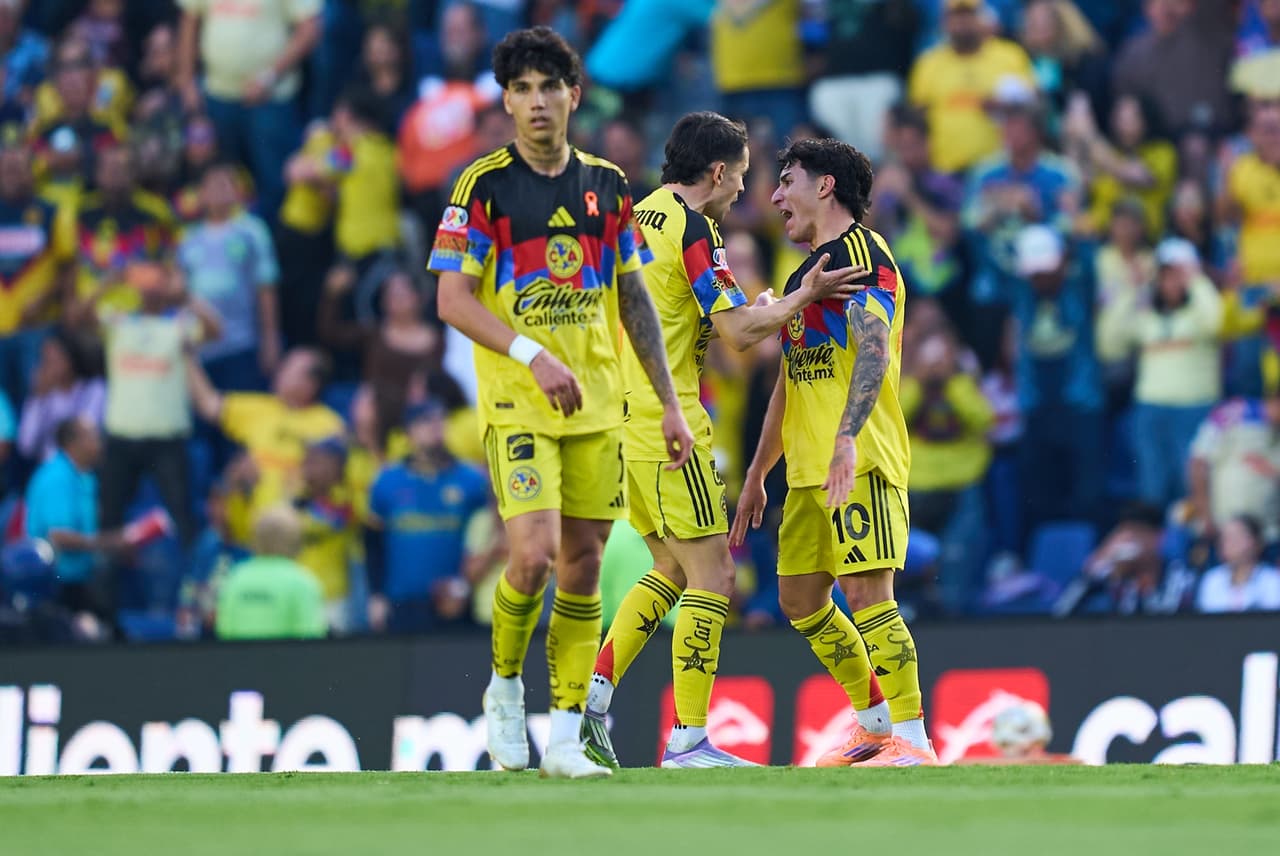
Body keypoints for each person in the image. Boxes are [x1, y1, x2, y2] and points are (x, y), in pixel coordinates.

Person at [429, 27, 693, 780]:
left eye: (551, 87)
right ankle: (507, 688)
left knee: (581, 564)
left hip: (601, 404)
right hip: (519, 399)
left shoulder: (609, 186)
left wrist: (669, 405)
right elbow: (452, 298)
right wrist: (530, 353)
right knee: (535, 554)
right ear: (506, 101)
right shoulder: (482, 187)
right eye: (522, 89)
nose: (538, 101)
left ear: (574, 95)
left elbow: (635, 297)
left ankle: (568, 732)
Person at [579, 111, 865, 769]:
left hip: (625, 424)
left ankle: (589, 703)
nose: (745, 189)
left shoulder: (637, 214)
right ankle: (687, 740)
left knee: (672, 571)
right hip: (672, 425)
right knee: (716, 575)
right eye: (740, 174)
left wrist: (757, 309)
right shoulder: (695, 230)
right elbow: (737, 334)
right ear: (716, 171)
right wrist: (803, 297)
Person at [733, 137, 935, 766]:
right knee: (799, 598)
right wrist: (757, 473)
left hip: (858, 458)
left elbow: (874, 348)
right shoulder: (802, 278)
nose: (774, 195)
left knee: (869, 592)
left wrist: (847, 435)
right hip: (806, 469)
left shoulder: (864, 256)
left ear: (824, 186)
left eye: (787, 180)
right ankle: (874, 724)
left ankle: (914, 739)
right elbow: (790, 383)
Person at [1096, 238, 1221, 510]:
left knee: (1190, 488)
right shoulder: (1146, 317)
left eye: (1178, 275)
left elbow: (1216, 323)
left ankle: (1189, 549)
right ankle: (1159, 549)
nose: (1171, 283)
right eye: (1165, 275)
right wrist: (1131, 289)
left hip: (1195, 409)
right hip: (1151, 411)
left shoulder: (1199, 313)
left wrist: (1197, 280)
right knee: (1151, 489)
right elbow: (1109, 343)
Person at [175, 0, 322, 220]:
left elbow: (310, 28)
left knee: (274, 184)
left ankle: (267, 247)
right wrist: (186, 81)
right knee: (217, 181)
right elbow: (189, 19)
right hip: (216, 95)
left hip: (272, 98)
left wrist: (269, 77)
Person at [186, 346, 345, 546]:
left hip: (303, 537)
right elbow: (208, 404)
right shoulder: (259, 409)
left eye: (289, 369)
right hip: (252, 535)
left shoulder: (330, 426)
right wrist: (185, 354)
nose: (280, 371)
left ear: (311, 384)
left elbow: (335, 494)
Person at [365, 400, 494, 634]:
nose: (435, 427)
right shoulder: (387, 481)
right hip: (403, 599)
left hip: (455, 599)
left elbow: (486, 532)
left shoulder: (472, 480)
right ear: (407, 433)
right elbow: (373, 542)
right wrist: (376, 595)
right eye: (425, 421)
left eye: (440, 420)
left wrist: (466, 585)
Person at [178, 160, 282, 396]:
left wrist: (270, 339)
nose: (220, 190)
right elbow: (181, 294)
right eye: (213, 185)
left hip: (242, 343)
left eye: (227, 184)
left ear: (238, 191)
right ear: (201, 194)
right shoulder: (188, 238)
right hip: (200, 347)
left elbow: (265, 287)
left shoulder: (252, 231)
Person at [907, 0, 1035, 174]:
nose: (962, 23)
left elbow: (1035, 106)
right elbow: (917, 118)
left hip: (1000, 168)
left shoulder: (1010, 56)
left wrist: (1006, 106)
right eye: (956, 16)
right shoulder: (928, 63)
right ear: (944, 21)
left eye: (969, 15)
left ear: (982, 18)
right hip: (946, 168)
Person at [24, 416, 127, 617]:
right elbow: (60, 537)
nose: (100, 444)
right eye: (93, 438)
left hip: (81, 579)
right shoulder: (57, 478)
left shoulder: (86, 476)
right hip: (55, 586)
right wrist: (112, 542)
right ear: (73, 444)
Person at [215, 504, 327, 640]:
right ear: (296, 540)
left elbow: (224, 631)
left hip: (240, 661)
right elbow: (311, 639)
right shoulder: (303, 582)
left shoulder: (235, 577)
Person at [17, 331, 105, 463]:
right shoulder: (42, 396)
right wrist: (38, 400)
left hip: (87, 467)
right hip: (51, 468)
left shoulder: (94, 389)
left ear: (71, 359)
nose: (49, 366)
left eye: (55, 359)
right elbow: (26, 445)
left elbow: (87, 432)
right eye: (45, 360)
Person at [1195, 515, 1280, 613]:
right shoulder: (1211, 580)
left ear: (1256, 541)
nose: (1228, 543)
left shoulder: (1273, 581)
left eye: (1236, 536)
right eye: (1224, 538)